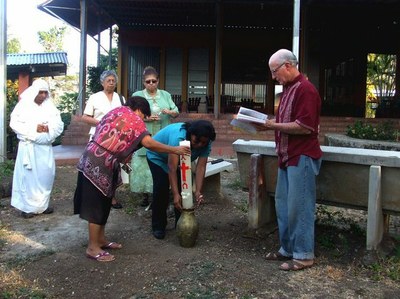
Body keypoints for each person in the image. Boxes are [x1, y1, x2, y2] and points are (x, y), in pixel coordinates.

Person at [73, 96, 190, 262]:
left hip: (93, 157)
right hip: (100, 162)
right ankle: (93, 248)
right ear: (139, 109)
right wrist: (174, 149)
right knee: (97, 205)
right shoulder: (133, 118)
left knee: (105, 202)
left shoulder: (116, 112)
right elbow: (148, 143)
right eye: (144, 116)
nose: (142, 120)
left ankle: (100, 240)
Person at [257, 49, 322, 271]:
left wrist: (271, 125)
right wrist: (264, 122)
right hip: (287, 156)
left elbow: (304, 127)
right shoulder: (288, 90)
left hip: (301, 156)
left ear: (287, 65)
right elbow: (286, 121)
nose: (274, 77)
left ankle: (304, 255)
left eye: (275, 71)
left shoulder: (306, 90)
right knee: (283, 204)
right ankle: (287, 249)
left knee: (300, 207)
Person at [147, 120, 216, 240]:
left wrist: (198, 191)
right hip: (157, 157)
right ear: (190, 135)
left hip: (181, 161)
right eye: (196, 141)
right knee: (161, 188)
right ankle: (158, 226)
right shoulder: (178, 137)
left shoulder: (207, 142)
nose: (199, 145)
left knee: (185, 189)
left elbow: (201, 167)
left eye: (203, 143)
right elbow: (172, 167)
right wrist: (175, 194)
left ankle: (181, 222)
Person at [10, 79, 64, 219]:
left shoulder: (50, 107)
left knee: (46, 176)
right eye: (40, 92)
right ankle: (27, 208)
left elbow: (59, 125)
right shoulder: (23, 105)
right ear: (34, 92)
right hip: (29, 148)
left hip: (45, 149)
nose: (43, 95)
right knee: (28, 178)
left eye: (45, 92)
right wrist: (35, 128)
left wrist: (48, 128)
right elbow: (14, 123)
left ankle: (42, 205)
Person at [130, 66, 179, 208]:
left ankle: (160, 193)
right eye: (148, 81)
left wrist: (169, 111)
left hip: (163, 133)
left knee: (161, 162)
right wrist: (146, 118)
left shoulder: (165, 95)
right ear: (143, 83)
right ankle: (145, 195)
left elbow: (176, 112)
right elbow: (131, 115)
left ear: (158, 81)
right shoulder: (137, 95)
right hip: (144, 134)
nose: (151, 84)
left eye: (153, 81)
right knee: (144, 164)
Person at [81, 70, 125, 209]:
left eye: (113, 80)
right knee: (96, 166)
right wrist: (101, 122)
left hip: (115, 138)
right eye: (108, 80)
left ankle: (112, 197)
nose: (111, 83)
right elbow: (85, 117)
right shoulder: (95, 97)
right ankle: (95, 195)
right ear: (102, 83)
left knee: (113, 167)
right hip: (98, 136)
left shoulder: (121, 99)